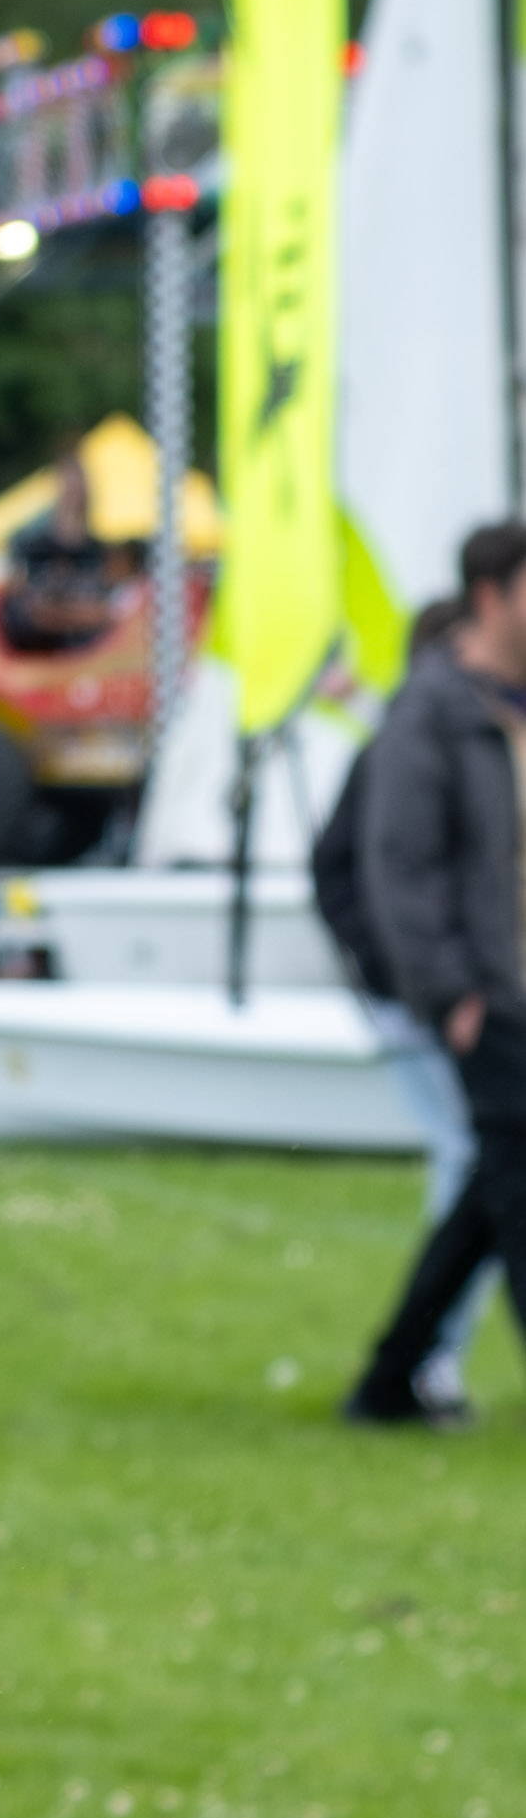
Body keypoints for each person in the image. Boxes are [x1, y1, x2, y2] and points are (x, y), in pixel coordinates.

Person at [335, 527, 526, 1423]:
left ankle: (391, 1375)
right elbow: (398, 865)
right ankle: (401, 1374)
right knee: (507, 1177)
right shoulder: (431, 712)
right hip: (479, 994)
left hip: (512, 982)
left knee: (496, 1177)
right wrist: (448, 990)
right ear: (492, 594)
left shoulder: (508, 705)